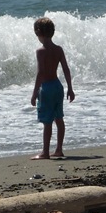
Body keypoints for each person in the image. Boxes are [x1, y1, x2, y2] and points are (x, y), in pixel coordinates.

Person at [31, 18, 75, 159]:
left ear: (38, 32)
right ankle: (59, 149)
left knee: (47, 121)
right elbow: (66, 69)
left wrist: (34, 93)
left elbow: (40, 73)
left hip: (47, 88)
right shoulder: (58, 49)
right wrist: (70, 88)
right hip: (57, 86)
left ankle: (45, 152)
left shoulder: (40, 51)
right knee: (59, 118)